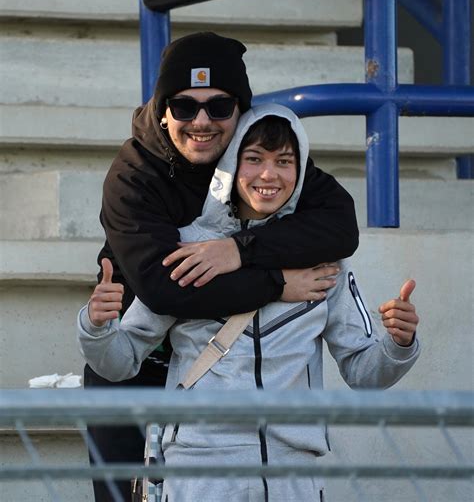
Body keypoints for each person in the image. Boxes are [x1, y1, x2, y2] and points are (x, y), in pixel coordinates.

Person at [79, 105, 420, 502]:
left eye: (285, 161)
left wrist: (400, 343)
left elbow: (365, 372)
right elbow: (119, 361)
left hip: (293, 474)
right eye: (253, 158)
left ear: (301, 169)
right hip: (198, 471)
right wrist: (98, 326)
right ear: (228, 165)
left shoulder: (325, 260)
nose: (269, 175)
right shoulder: (189, 247)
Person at [86, 32, 360, 501]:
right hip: (137, 362)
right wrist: (276, 282)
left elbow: (340, 226)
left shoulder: (256, 156)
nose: (202, 122)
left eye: (219, 107)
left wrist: (241, 250)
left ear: (241, 109)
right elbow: (165, 289)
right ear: (161, 108)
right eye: (185, 106)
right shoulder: (133, 174)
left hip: (220, 378)